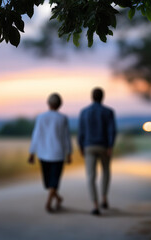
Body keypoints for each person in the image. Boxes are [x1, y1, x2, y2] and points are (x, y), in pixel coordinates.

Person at [28, 93, 72, 213]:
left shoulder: (41, 117)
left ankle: (48, 203)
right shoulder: (63, 118)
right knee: (50, 183)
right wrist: (69, 153)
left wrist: (32, 153)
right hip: (57, 154)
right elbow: (67, 137)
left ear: (48, 103)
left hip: (44, 153)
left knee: (51, 181)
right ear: (60, 105)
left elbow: (36, 135)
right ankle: (58, 198)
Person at [78, 87, 117, 216]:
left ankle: (95, 205)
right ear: (102, 97)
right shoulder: (109, 112)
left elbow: (81, 131)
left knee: (91, 176)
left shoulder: (84, 112)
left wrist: (80, 147)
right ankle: (104, 198)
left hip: (88, 146)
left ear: (92, 97)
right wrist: (110, 146)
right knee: (106, 171)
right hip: (104, 146)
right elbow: (112, 130)